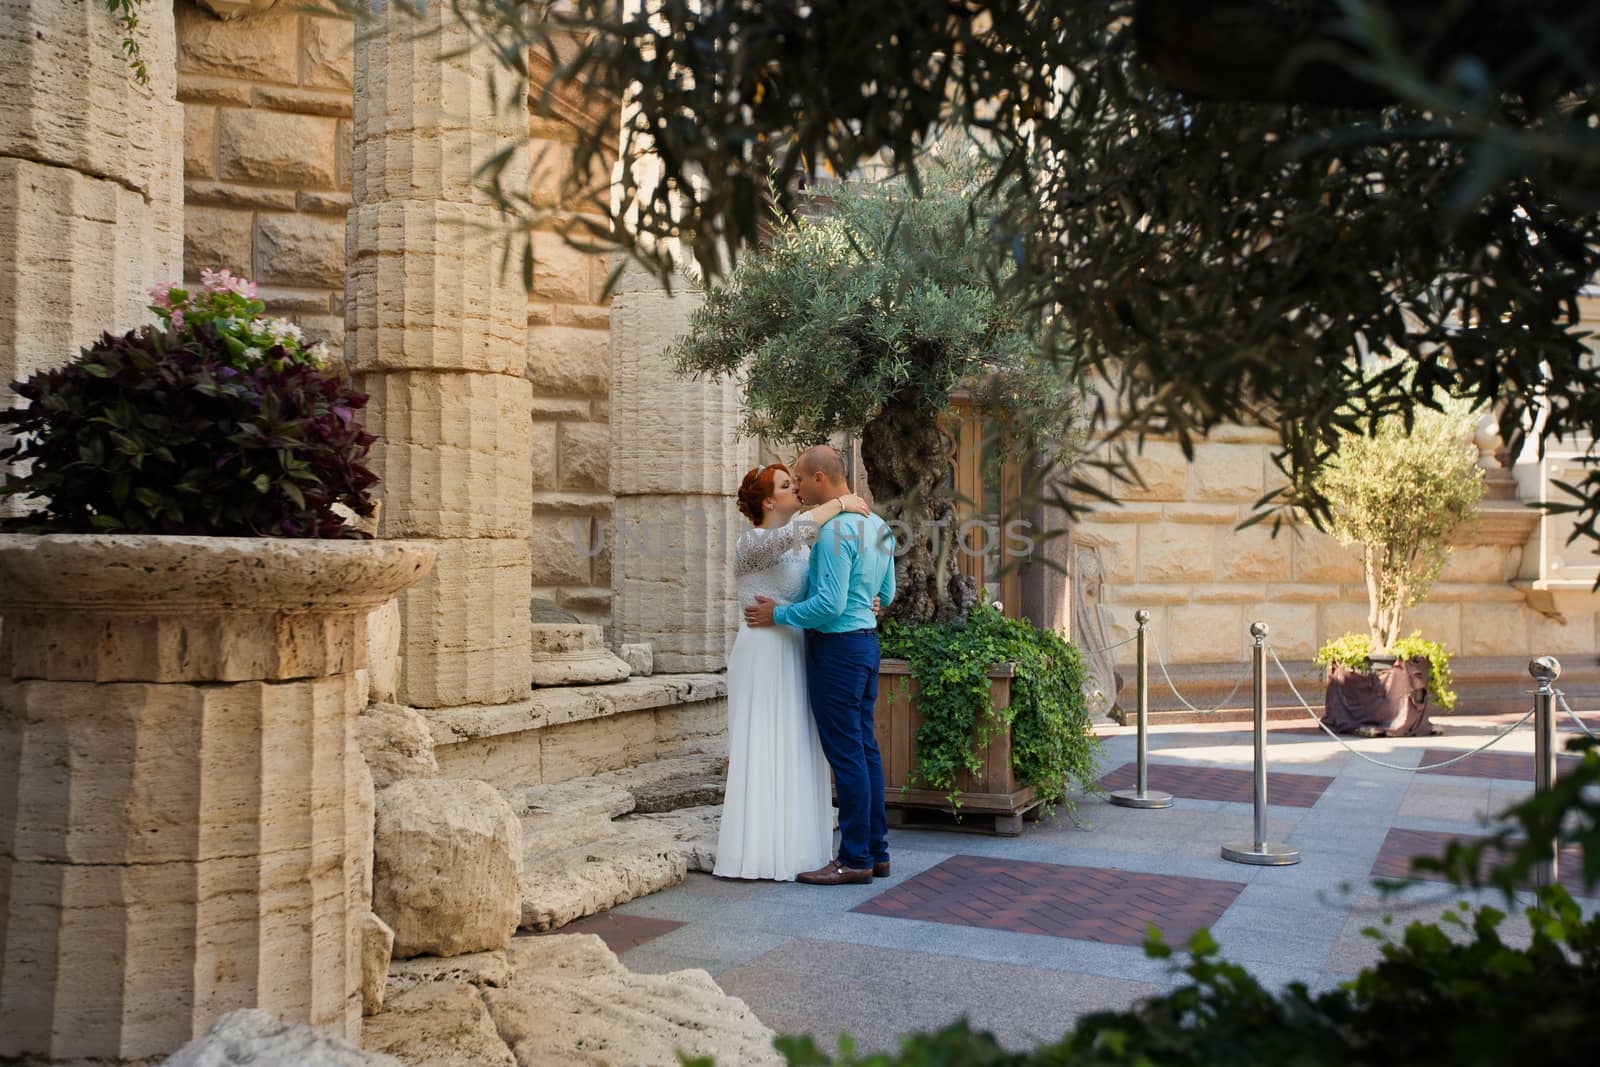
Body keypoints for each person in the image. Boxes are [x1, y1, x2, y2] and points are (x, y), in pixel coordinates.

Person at [745, 444, 897, 886]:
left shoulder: (832, 533)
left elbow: (828, 605)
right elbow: (885, 595)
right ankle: (877, 852)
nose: (798, 486)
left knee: (847, 755)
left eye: (799, 477)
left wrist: (779, 615)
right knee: (865, 750)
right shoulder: (880, 526)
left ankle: (853, 860)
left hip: (838, 651)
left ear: (819, 479)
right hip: (867, 646)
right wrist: (865, 602)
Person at [714, 463, 872, 880]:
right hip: (762, 651)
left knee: (798, 742)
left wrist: (864, 604)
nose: (795, 490)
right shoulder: (751, 542)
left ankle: (798, 849)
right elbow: (791, 533)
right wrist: (840, 501)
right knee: (764, 742)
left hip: (797, 647)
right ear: (768, 501)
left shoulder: (804, 545)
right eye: (786, 486)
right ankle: (759, 850)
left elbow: (826, 589)